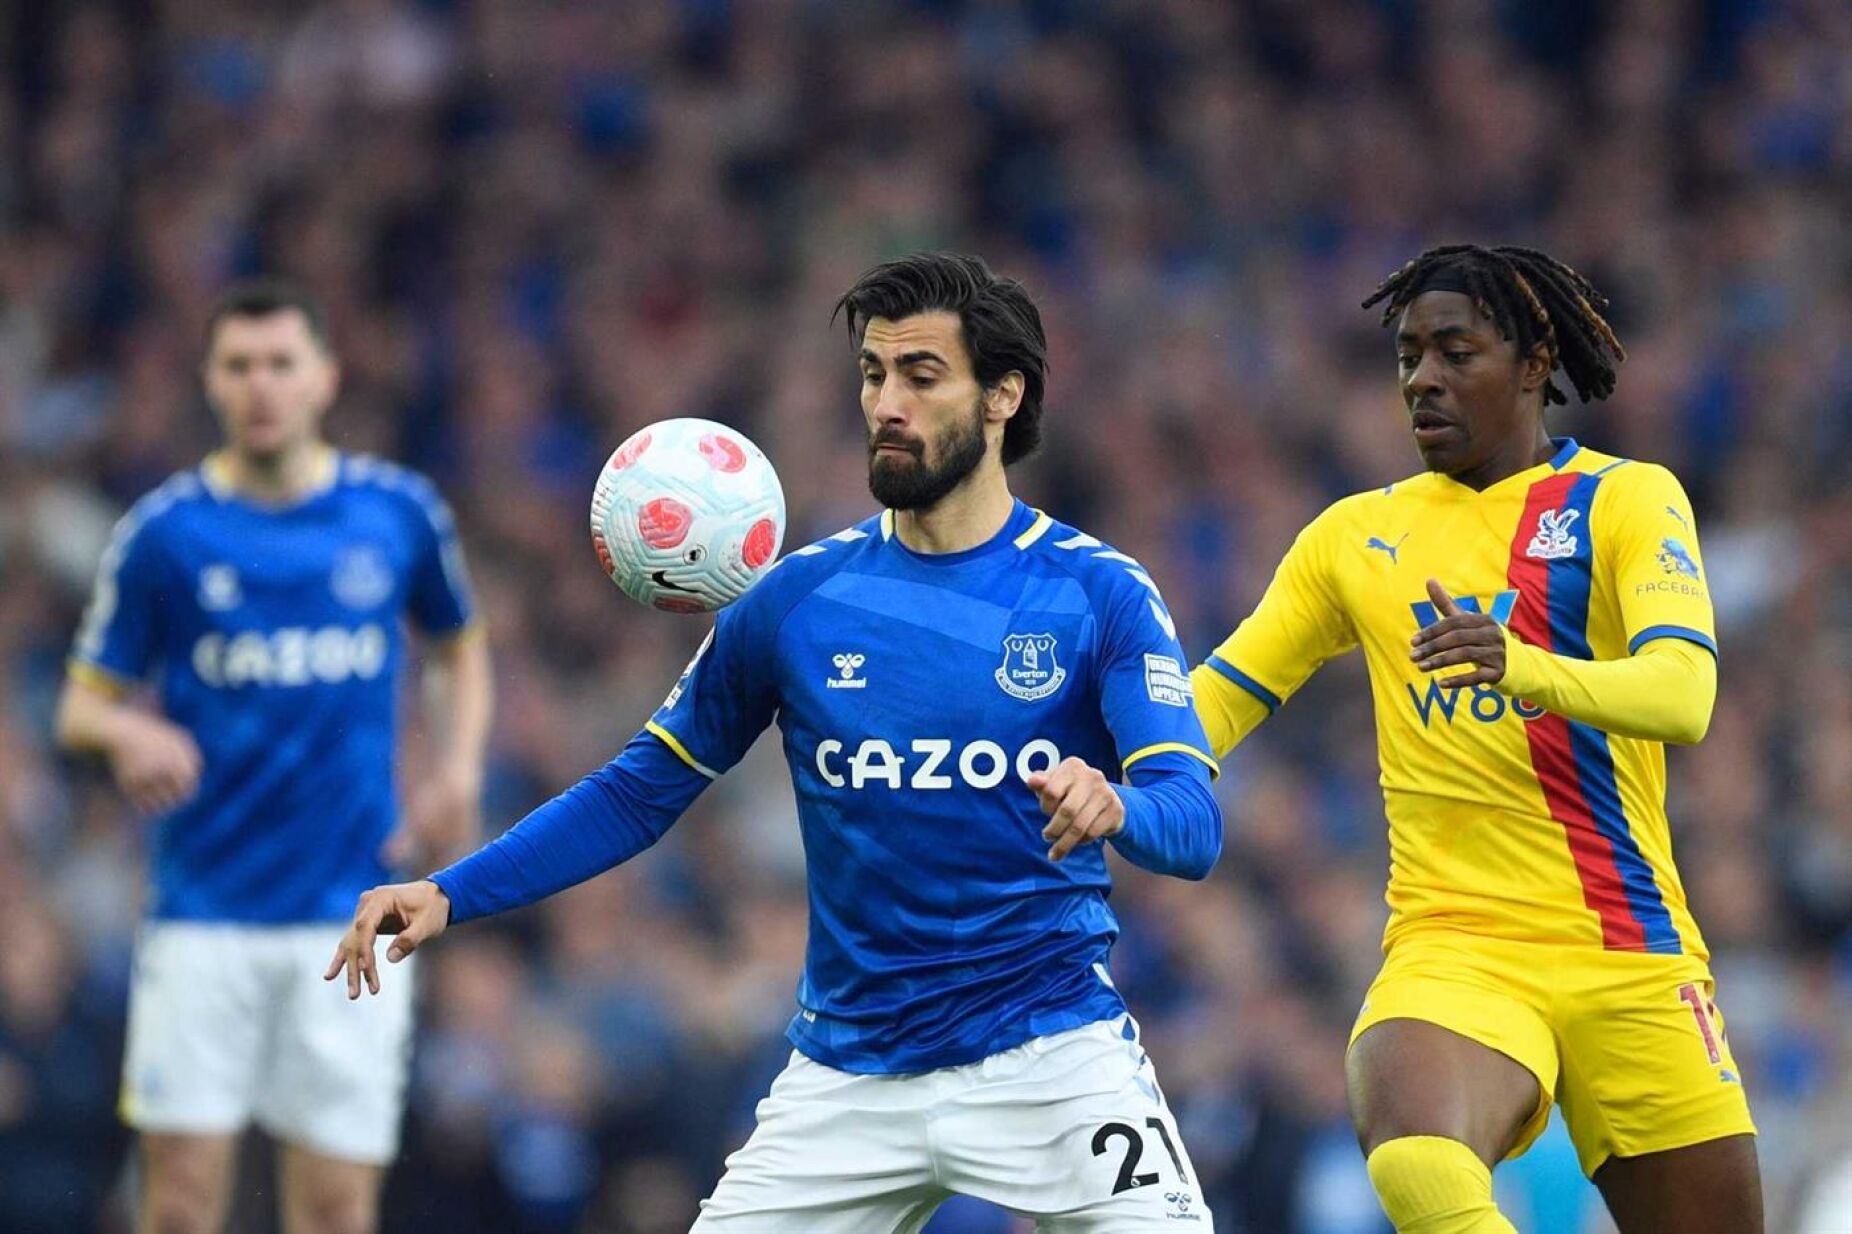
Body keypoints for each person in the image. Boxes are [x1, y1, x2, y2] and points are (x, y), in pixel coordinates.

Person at [328, 252, 1223, 1231]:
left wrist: (1119, 806)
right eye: (874, 375)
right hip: (848, 1074)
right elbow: (637, 794)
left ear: (1003, 395)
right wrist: (453, 891)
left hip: (1050, 1054)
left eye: (921, 377)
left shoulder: (1098, 594)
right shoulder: (793, 602)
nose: (887, 402)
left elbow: (1191, 821)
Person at [1190, 244, 1761, 1234]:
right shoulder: (1354, 537)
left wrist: (1521, 664)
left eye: (1455, 351)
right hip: (1457, 946)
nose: (1421, 377)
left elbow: (1684, 694)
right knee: (1411, 1142)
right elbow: (1224, 694)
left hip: (1628, 946)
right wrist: (1099, 763)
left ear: (1535, 359)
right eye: (1408, 354)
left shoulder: (1625, 499)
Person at [56, 280, 493, 1234]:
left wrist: (456, 769)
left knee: (336, 1208)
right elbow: (80, 705)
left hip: (352, 915)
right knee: (177, 1203)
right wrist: (130, 729)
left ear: (325, 377)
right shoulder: (165, 535)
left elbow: (459, 647)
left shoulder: (398, 514)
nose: (261, 386)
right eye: (239, 365)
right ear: (211, 381)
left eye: (281, 363)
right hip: (202, 913)